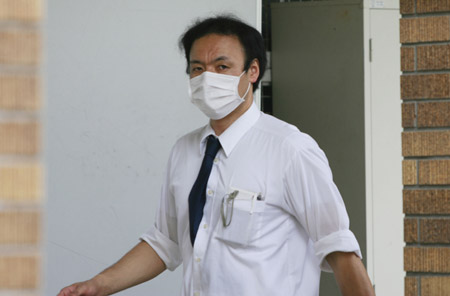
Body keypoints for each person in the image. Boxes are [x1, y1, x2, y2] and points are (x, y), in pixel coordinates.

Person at [58, 15, 375, 296]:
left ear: (252, 71)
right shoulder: (185, 150)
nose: (208, 77)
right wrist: (98, 285)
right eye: (198, 68)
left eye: (222, 66)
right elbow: (164, 243)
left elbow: (338, 247)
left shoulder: (290, 148)